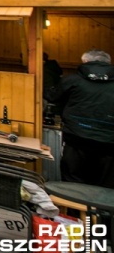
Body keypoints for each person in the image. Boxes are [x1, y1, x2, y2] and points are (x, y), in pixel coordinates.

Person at [45, 49, 114, 187]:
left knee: (73, 182)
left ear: (86, 62)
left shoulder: (73, 80)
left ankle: (75, 208)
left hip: (76, 139)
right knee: (105, 186)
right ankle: (100, 209)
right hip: (109, 143)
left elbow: (52, 96)